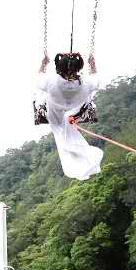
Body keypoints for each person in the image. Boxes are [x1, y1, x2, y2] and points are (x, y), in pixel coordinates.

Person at [36, 52, 103, 180]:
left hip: (55, 117)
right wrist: (92, 65)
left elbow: (38, 77)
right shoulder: (86, 82)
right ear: (78, 68)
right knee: (66, 131)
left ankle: (79, 163)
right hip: (76, 114)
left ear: (58, 68)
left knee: (40, 94)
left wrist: (44, 64)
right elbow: (96, 80)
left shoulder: (50, 82)